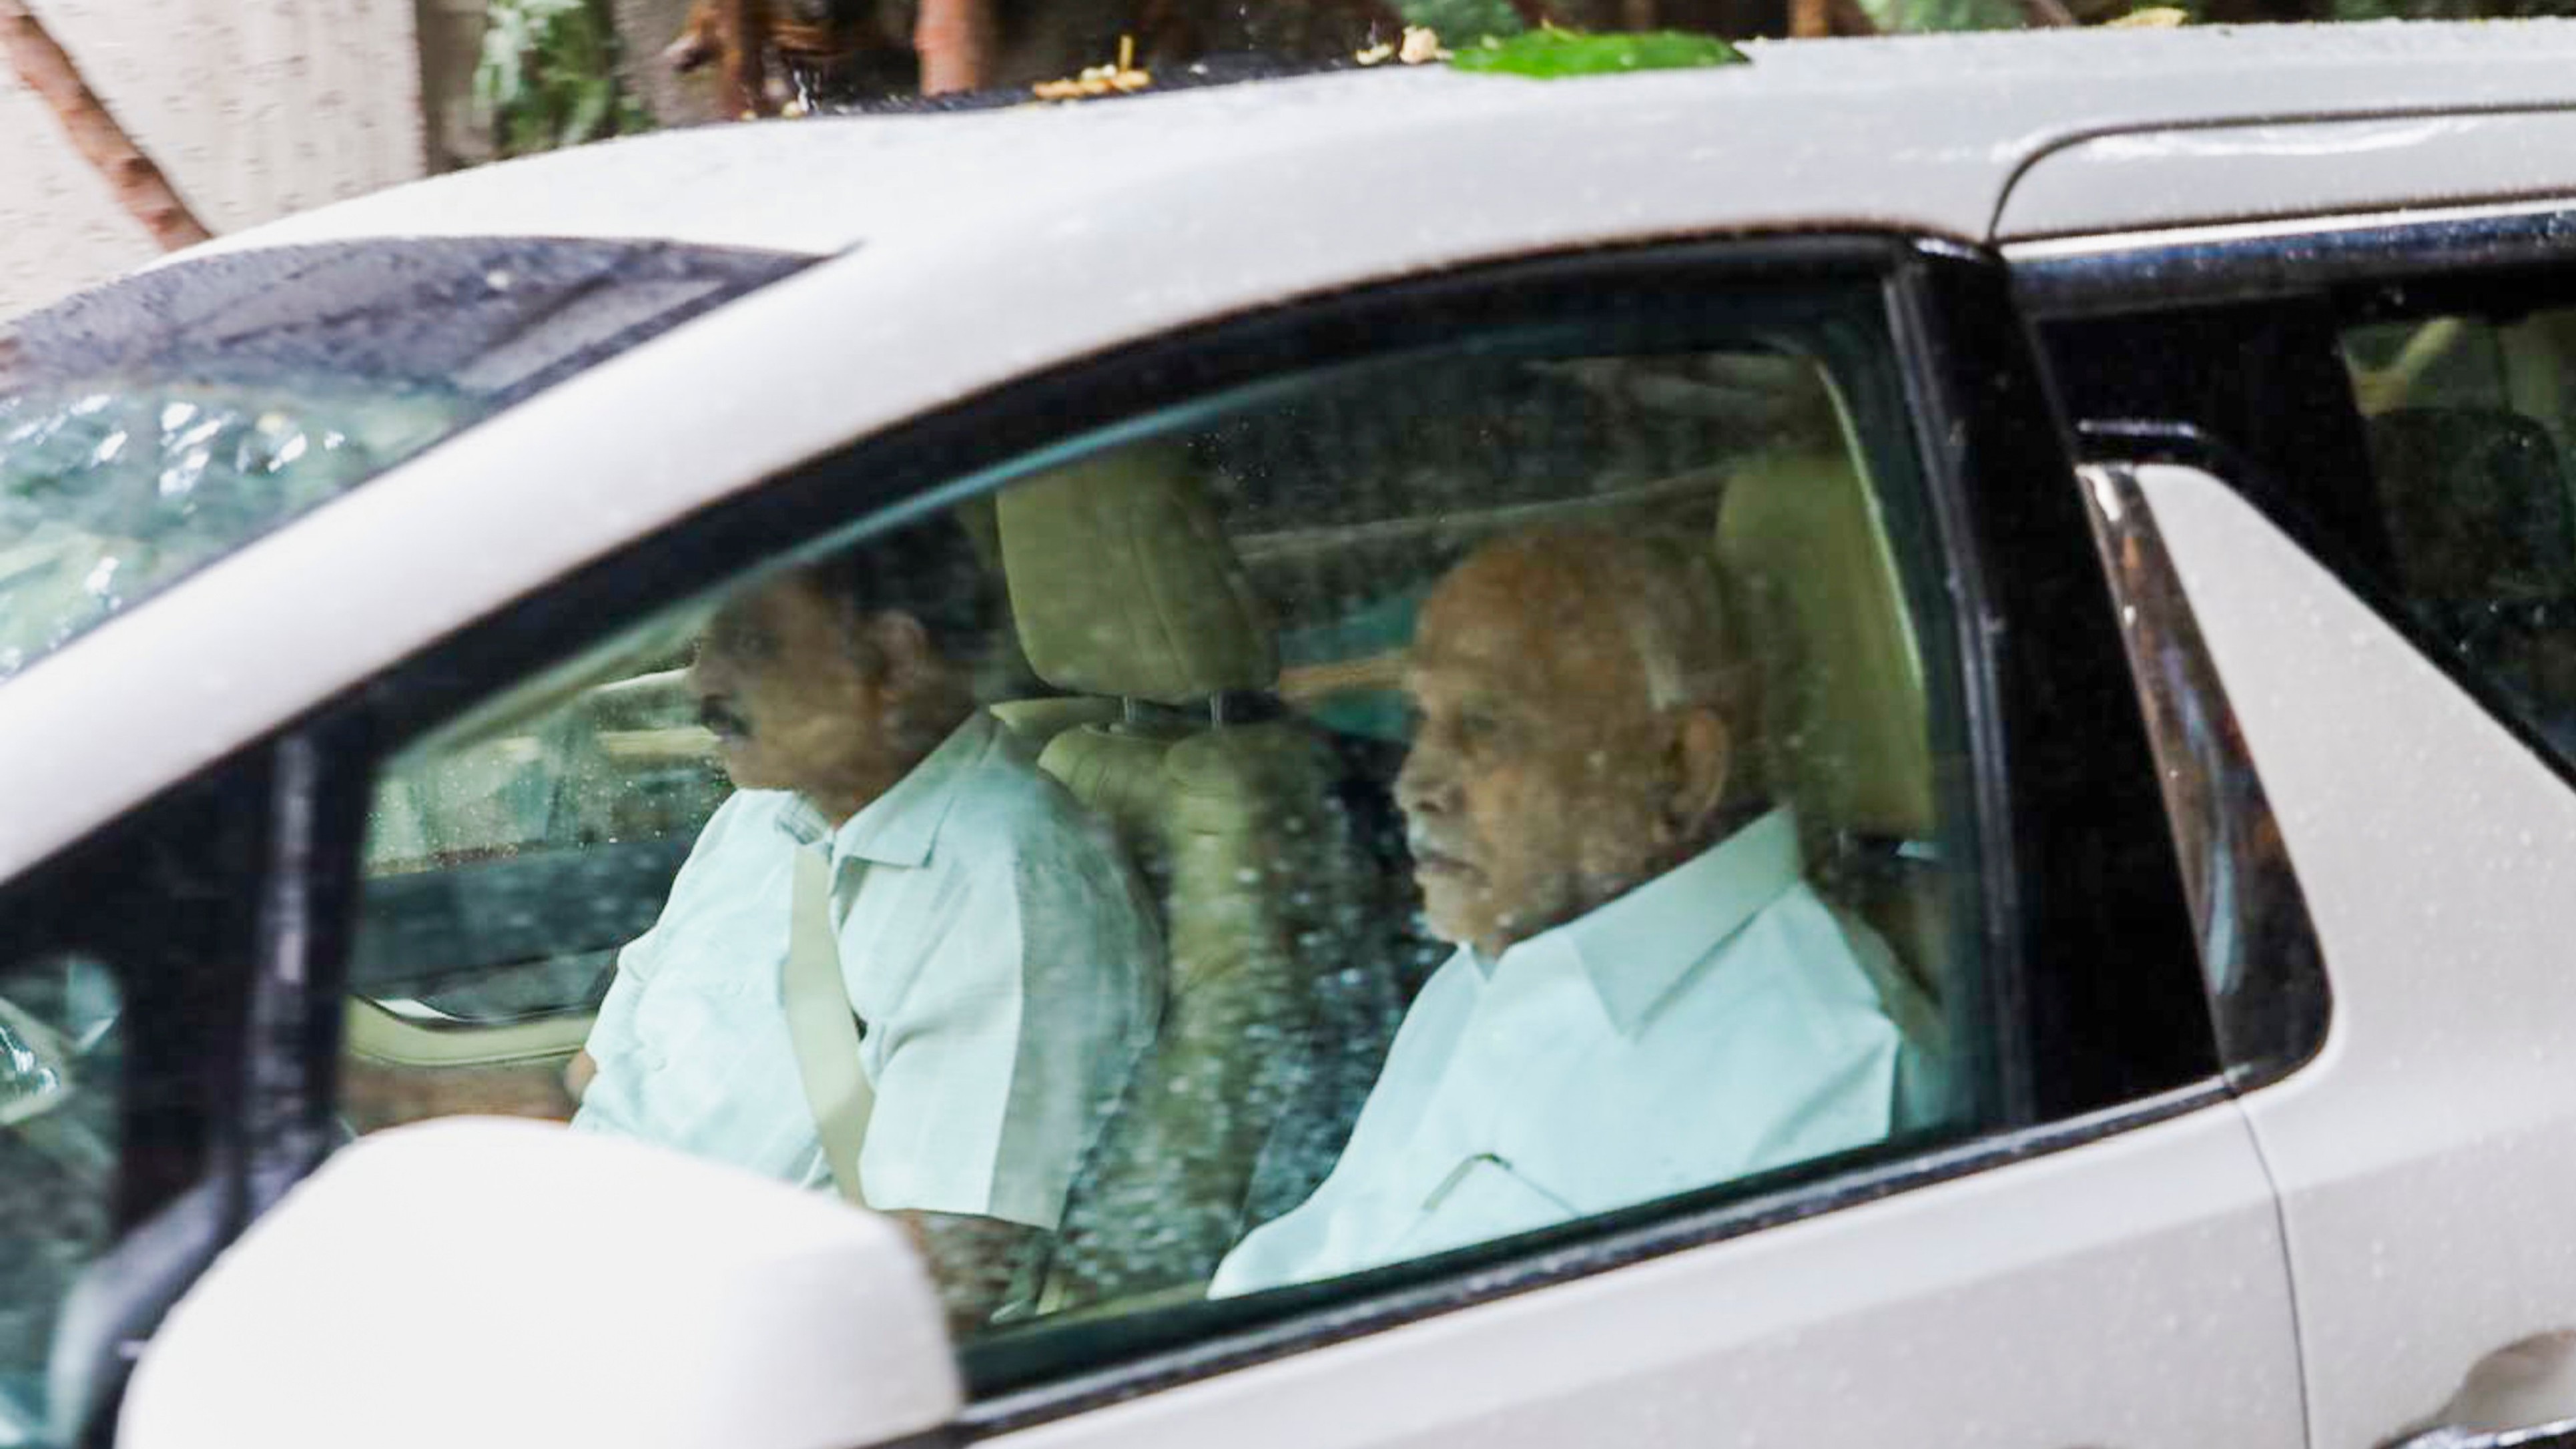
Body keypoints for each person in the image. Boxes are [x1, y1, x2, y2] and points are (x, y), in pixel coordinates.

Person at [1210, 525, 1901, 1296]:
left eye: (1484, 726)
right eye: (1419, 719)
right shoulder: (1488, 969)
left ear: (1676, 770)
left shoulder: (1819, 1082)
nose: (1415, 782)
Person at [568, 519, 1161, 1325]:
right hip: (587, 1256)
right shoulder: (761, 816)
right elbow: (598, 1076)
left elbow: (930, 1284)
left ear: (891, 658)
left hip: (714, 1330)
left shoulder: (1007, 879)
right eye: (700, 646)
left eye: (747, 643)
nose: (699, 684)